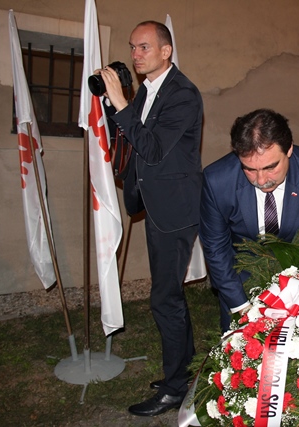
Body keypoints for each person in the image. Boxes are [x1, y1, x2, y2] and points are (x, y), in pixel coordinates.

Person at [98, 20, 202, 416]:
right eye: (132, 47)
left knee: (164, 299)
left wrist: (122, 104)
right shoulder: (148, 89)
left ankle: (175, 389)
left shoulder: (183, 94)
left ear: (165, 51)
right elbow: (131, 137)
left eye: (143, 47)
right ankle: (184, 370)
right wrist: (113, 104)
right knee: (169, 296)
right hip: (157, 205)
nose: (135, 55)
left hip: (175, 211)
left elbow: (154, 149)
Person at [199, 108, 299, 332]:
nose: (261, 180)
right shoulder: (217, 180)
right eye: (249, 169)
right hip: (242, 275)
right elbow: (215, 247)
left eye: (270, 167)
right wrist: (242, 307)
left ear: (289, 149)